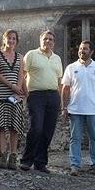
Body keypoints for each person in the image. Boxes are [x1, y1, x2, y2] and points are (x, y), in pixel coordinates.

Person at [61, 40, 95, 176]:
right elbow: (65, 88)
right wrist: (64, 107)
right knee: (75, 138)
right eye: (81, 48)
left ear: (91, 51)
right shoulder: (71, 67)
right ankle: (75, 165)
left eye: (85, 49)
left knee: (94, 138)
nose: (82, 51)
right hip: (75, 109)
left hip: (93, 109)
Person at [20, 30, 63, 173]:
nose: (48, 41)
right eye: (45, 39)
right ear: (40, 40)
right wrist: (26, 93)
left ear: (54, 42)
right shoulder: (31, 55)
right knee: (36, 128)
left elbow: (59, 81)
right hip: (36, 95)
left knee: (47, 131)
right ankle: (26, 160)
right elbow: (23, 74)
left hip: (53, 96)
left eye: (51, 39)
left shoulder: (57, 58)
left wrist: (61, 100)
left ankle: (41, 162)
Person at [0, 29, 25, 170]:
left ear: (16, 41)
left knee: (14, 126)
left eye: (14, 39)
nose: (11, 41)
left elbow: (21, 75)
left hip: (15, 96)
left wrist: (18, 89)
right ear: (4, 39)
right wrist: (12, 86)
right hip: (1, 94)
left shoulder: (20, 57)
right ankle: (2, 155)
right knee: (1, 126)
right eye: (9, 38)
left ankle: (13, 155)